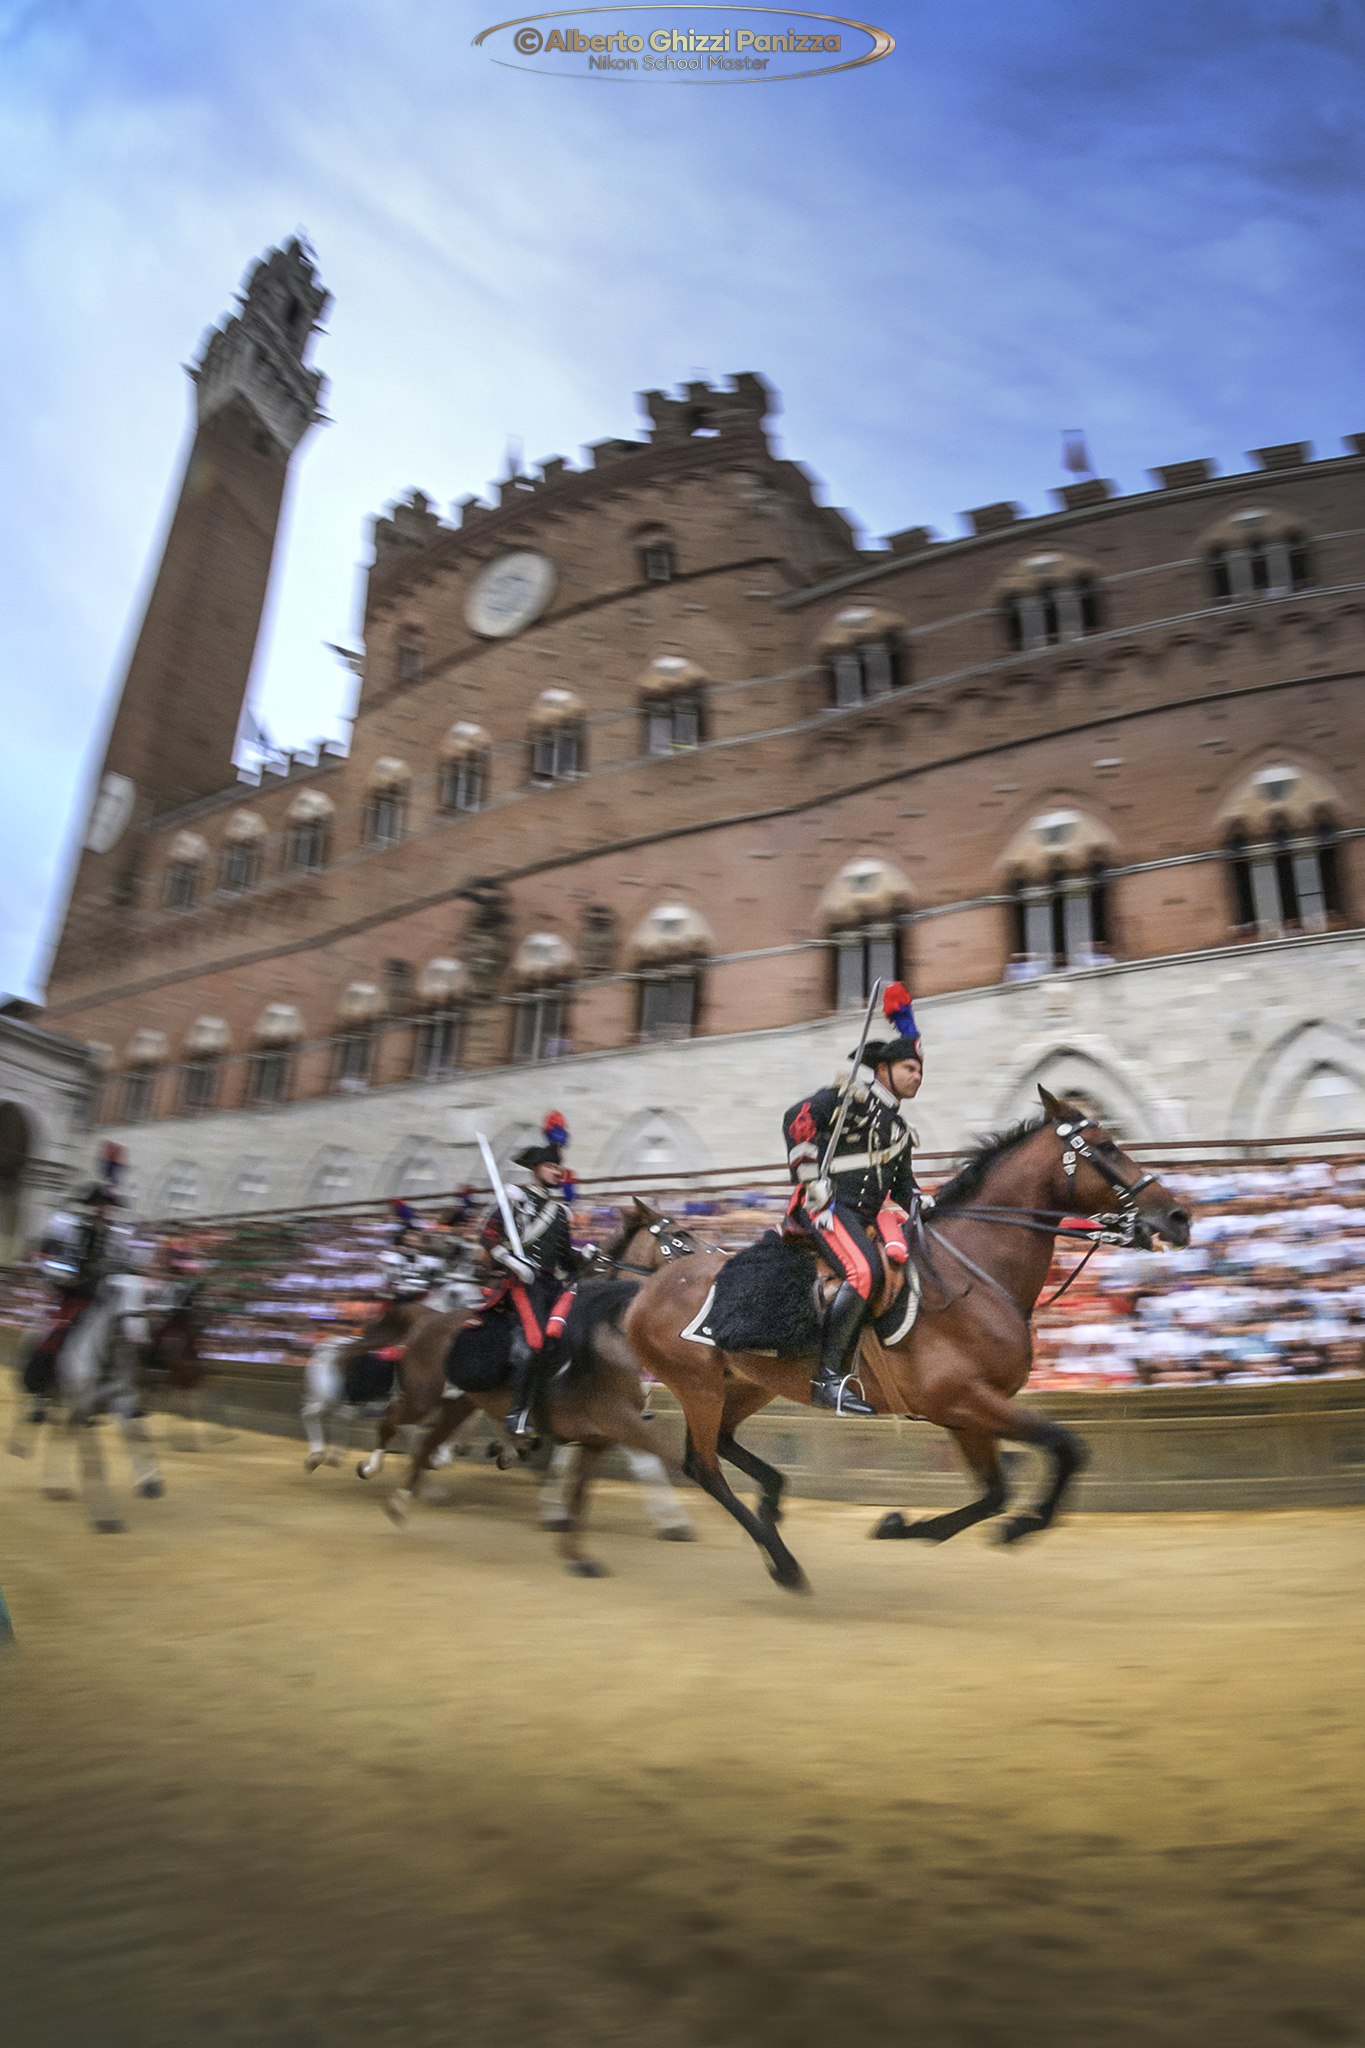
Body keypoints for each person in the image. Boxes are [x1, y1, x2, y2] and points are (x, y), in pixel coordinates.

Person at [782, 983, 926, 1414]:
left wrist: (924, 1200)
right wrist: (808, 1177)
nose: (916, 1077)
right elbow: (798, 1119)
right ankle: (827, 1377)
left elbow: (902, 1184)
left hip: (863, 1215)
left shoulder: (899, 1130)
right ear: (882, 1068)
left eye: (919, 1071)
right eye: (908, 1068)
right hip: (826, 1207)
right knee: (863, 1272)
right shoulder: (852, 1098)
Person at [480, 1113, 583, 1441]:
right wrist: (511, 1261)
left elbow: (567, 1257)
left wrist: (591, 1257)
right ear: (537, 1169)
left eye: (559, 1169)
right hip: (523, 1284)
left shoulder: (561, 1213)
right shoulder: (515, 1201)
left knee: (577, 1335)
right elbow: (489, 1237)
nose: (558, 1173)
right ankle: (517, 1413)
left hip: (552, 1283)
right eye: (552, 1168)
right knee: (536, 1342)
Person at [25, 1143, 129, 1418]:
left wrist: (113, 1275)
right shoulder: (70, 1228)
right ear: (91, 1206)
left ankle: (102, 1397)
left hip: (98, 1297)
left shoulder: (115, 1235)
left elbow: (122, 1263)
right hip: (70, 1294)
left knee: (121, 1337)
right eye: (99, 1206)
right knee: (54, 1334)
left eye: (107, 1207)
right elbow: (49, 1257)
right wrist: (65, 1274)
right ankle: (42, 1397)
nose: (103, 1210)